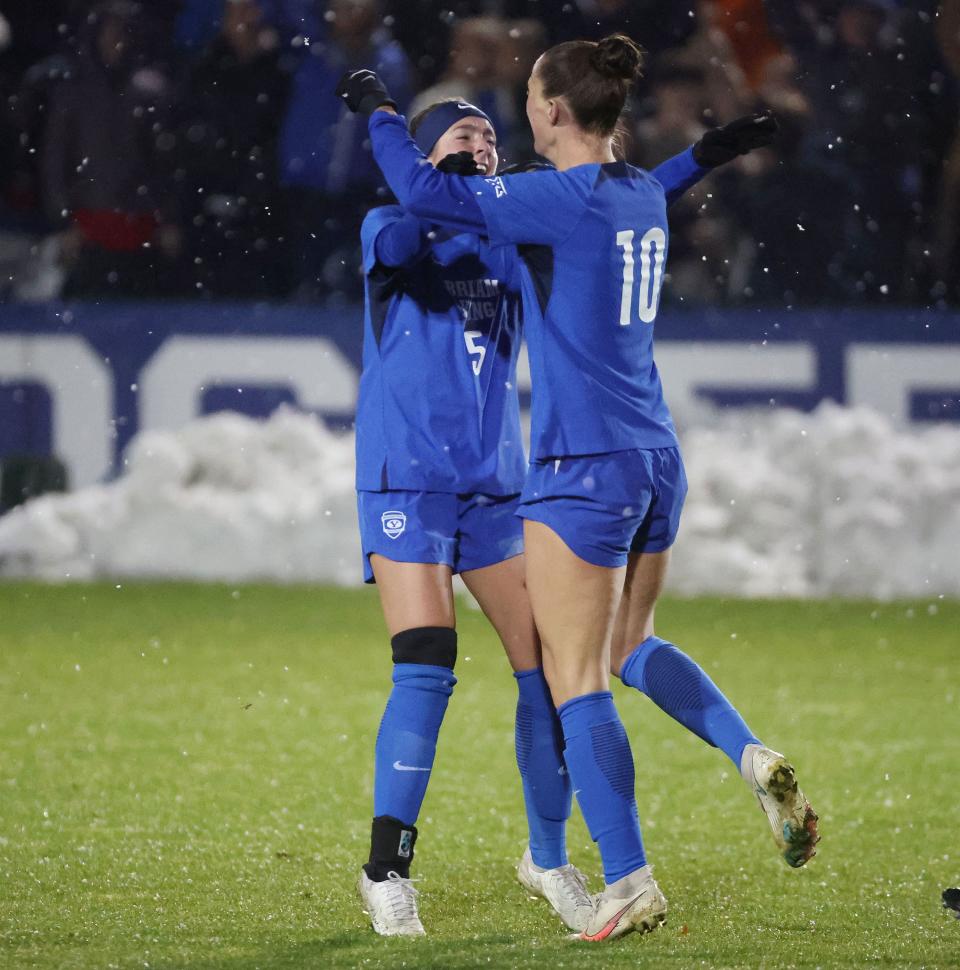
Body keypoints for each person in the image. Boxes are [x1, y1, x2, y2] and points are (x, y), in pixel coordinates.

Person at [339, 31, 818, 944]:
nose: (483, 139)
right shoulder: (416, 226)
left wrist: (395, 127)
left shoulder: (523, 222)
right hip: (428, 474)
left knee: (556, 677)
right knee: (443, 663)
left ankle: (564, 861)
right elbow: (413, 212)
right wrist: (405, 139)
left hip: (525, 480)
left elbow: (575, 199)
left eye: (495, 127)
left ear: (546, 115)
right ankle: (388, 867)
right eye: (462, 133)